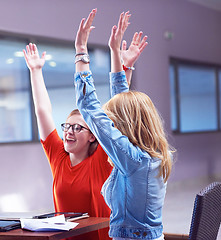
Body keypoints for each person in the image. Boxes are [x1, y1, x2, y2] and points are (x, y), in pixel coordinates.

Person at [23, 10, 147, 240]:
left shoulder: (102, 159)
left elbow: (118, 115)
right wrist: (35, 71)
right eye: (67, 126)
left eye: (77, 127)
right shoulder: (58, 157)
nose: (69, 131)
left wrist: (124, 68)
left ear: (93, 136)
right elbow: (42, 111)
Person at [74, 9, 173, 240]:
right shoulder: (152, 153)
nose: (111, 125)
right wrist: (119, 60)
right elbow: (124, 107)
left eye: (114, 122)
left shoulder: (133, 159)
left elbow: (89, 107)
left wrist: (81, 51)